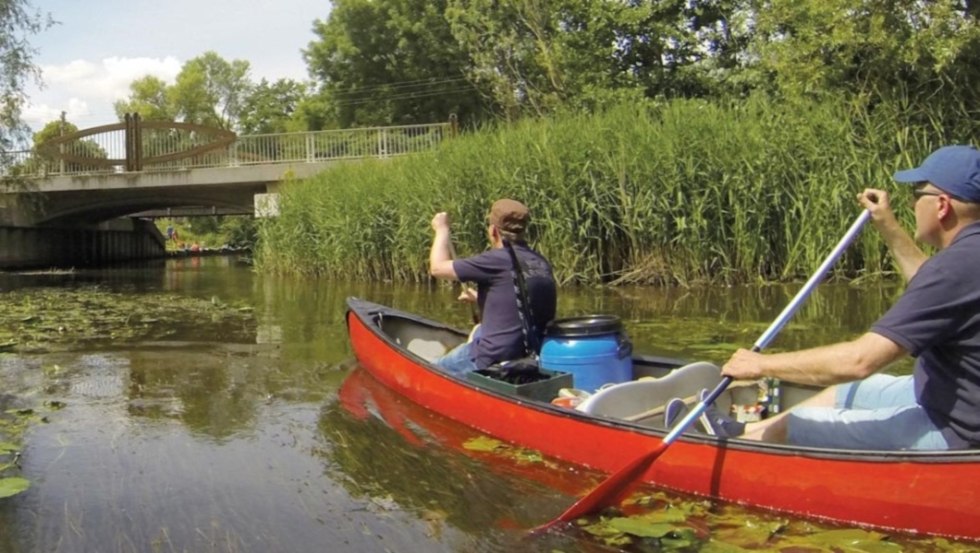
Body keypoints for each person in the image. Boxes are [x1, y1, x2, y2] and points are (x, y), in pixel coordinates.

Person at [668, 145, 980, 451]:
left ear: (941, 205)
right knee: (845, 393)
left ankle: (728, 452)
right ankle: (741, 430)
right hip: (952, 399)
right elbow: (935, 287)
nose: (913, 205)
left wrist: (762, 365)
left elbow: (860, 360)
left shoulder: (953, 269)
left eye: (916, 196)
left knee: (800, 424)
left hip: (957, 431)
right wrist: (888, 224)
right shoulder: (964, 261)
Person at [429, 198, 557, 375]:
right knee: (478, 329)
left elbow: (437, 268)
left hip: (494, 358)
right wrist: (480, 297)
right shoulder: (540, 262)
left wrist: (442, 230)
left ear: (493, 231)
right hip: (531, 354)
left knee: (430, 368)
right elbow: (521, 299)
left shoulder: (496, 259)